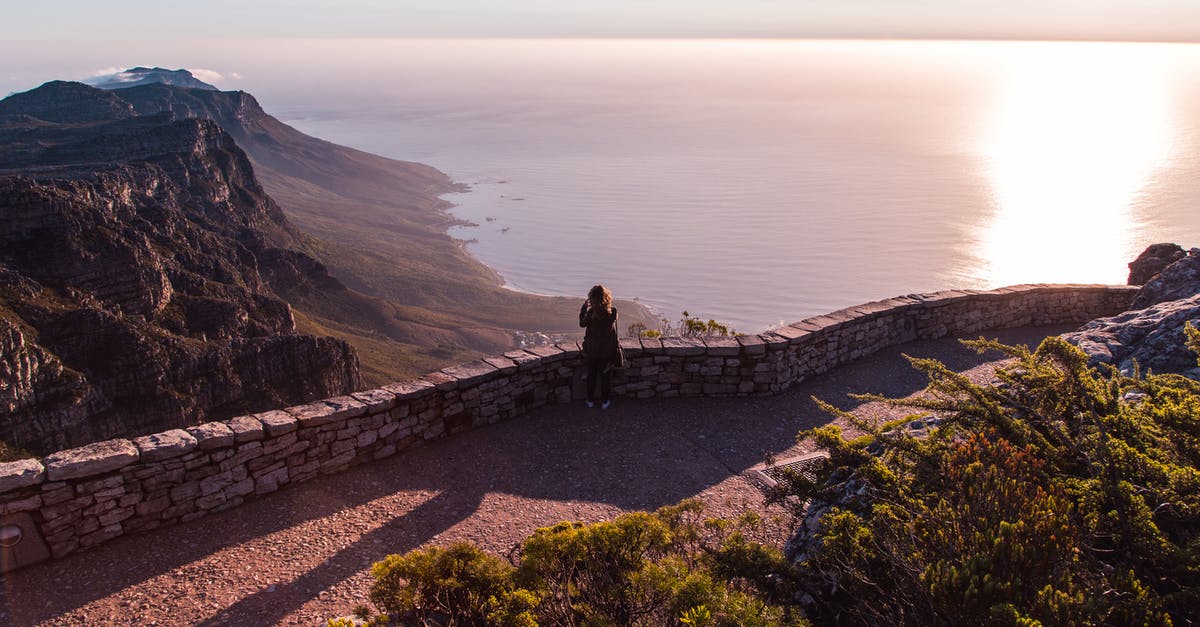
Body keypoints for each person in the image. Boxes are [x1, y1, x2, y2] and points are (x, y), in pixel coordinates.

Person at [579, 284, 624, 408]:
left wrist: (584, 308)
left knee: (591, 376)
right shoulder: (612, 313)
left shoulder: (591, 314)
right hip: (606, 351)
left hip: (592, 350)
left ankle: (590, 401)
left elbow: (581, 324)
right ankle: (605, 401)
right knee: (605, 377)